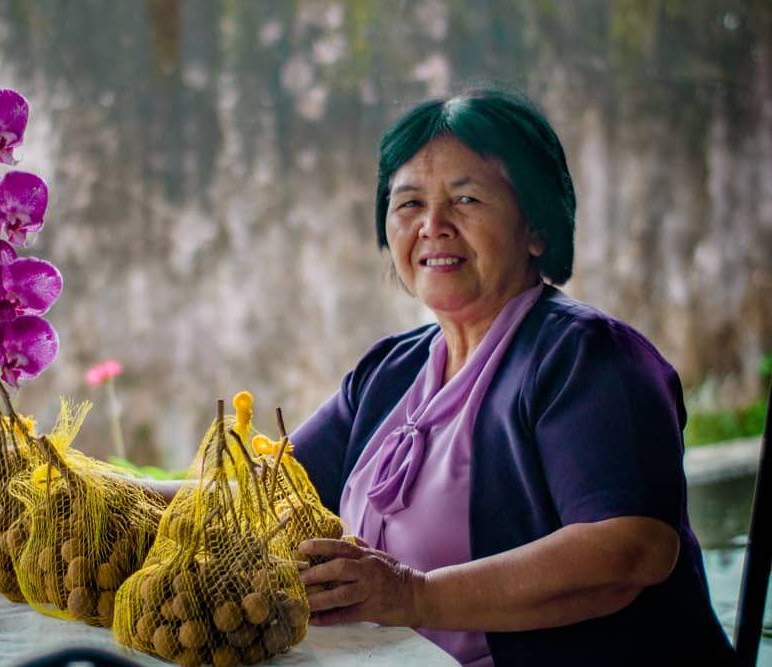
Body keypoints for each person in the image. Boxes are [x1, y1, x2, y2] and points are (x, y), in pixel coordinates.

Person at [285, 88, 734, 666]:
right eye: (409, 204)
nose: (433, 226)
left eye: (466, 199)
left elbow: (630, 550)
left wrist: (412, 595)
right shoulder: (389, 371)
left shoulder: (587, 357)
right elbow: (259, 491)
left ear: (537, 228)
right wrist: (132, 498)